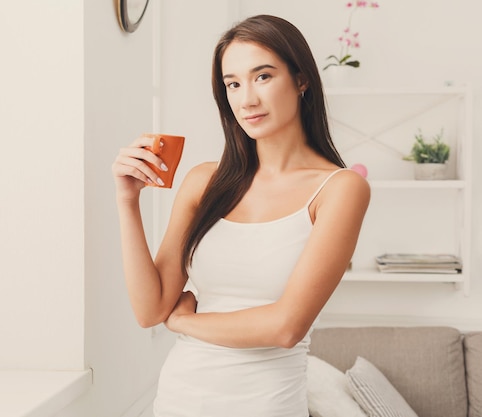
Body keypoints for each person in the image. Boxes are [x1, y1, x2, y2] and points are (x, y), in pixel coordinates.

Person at [112, 14, 370, 417]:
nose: (246, 99)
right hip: (179, 400)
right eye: (233, 83)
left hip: (266, 406)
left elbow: (286, 327)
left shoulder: (340, 189)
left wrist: (185, 324)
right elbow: (151, 309)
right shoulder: (204, 181)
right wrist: (127, 202)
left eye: (262, 77)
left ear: (301, 80)